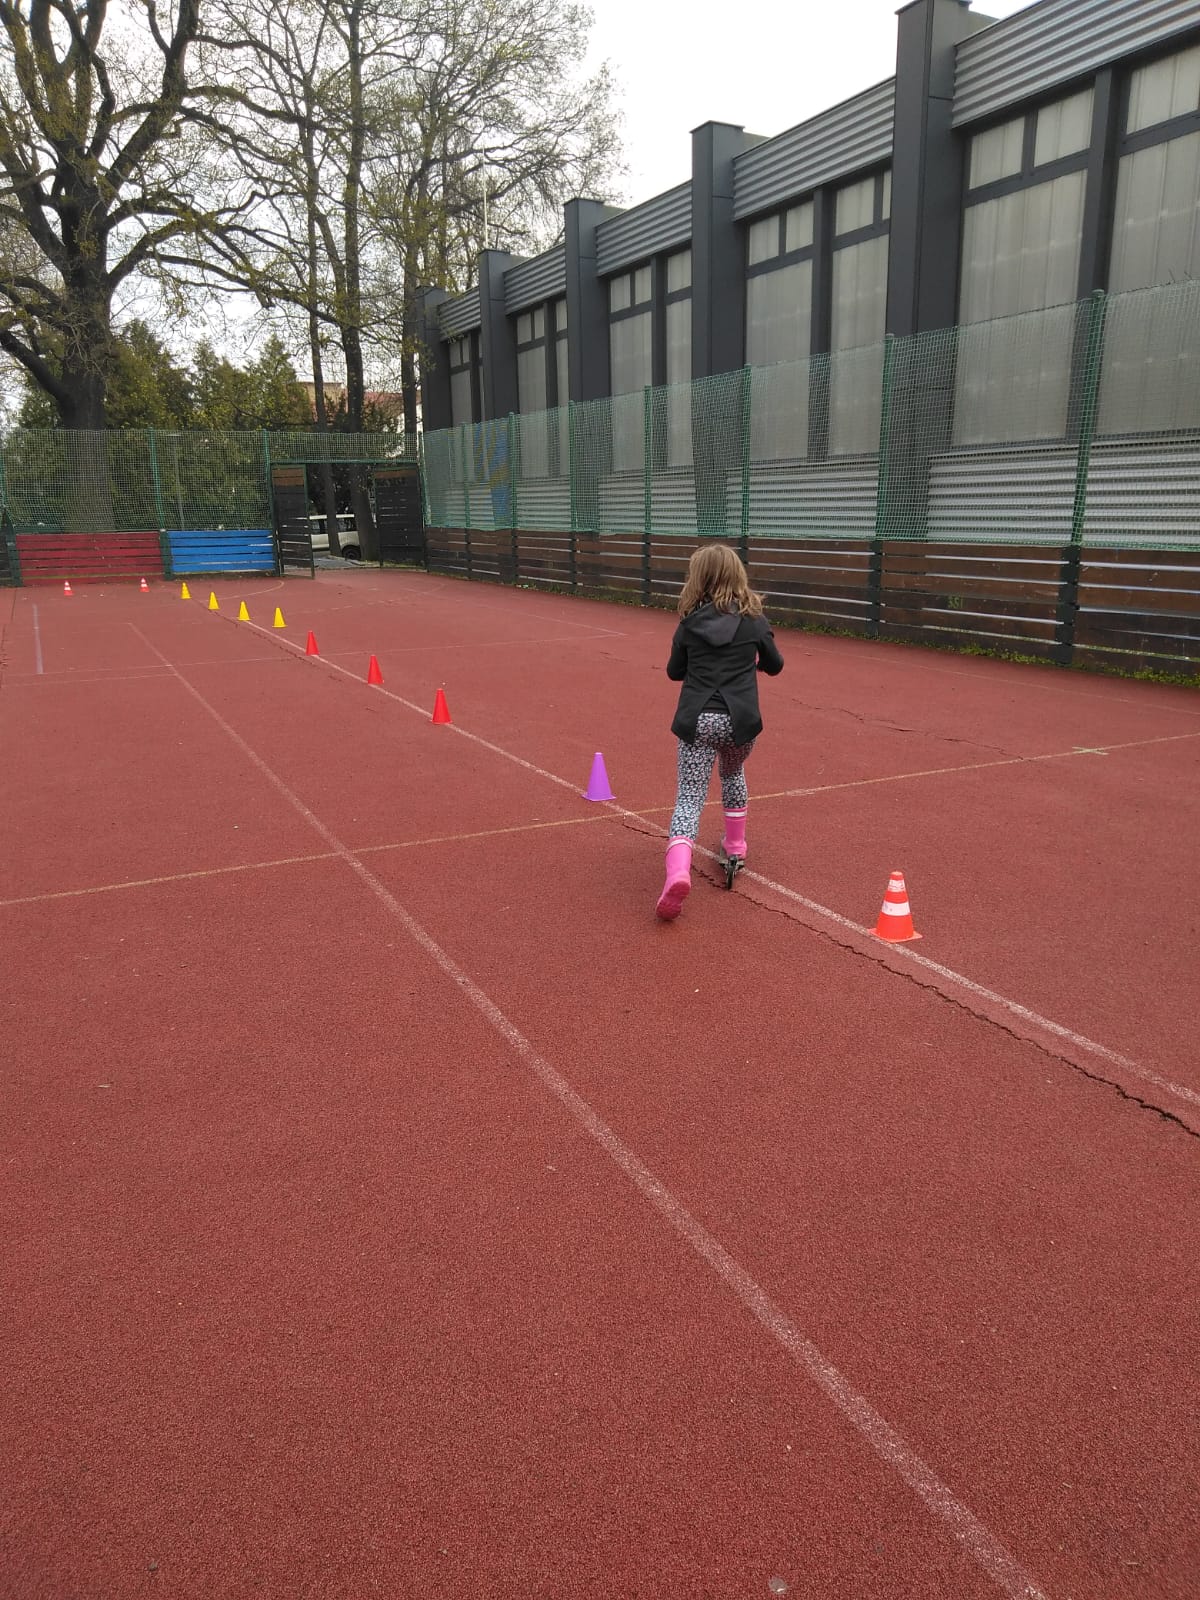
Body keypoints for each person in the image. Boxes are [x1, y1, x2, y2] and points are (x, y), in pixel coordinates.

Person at [657, 543, 785, 920]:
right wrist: (753, 663)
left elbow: (674, 672)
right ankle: (736, 844)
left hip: (698, 720)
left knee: (690, 796)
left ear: (698, 579)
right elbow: (775, 664)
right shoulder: (754, 621)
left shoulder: (689, 624)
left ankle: (678, 872)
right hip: (739, 721)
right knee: (732, 772)